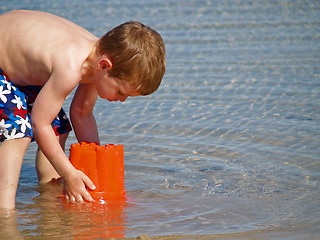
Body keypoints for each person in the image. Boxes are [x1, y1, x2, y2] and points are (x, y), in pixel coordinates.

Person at [0, 10, 166, 210]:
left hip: (21, 71)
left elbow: (81, 113)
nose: (121, 100)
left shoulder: (97, 61)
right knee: (18, 131)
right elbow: (39, 123)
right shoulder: (71, 66)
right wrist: (69, 173)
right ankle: (5, 212)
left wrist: (99, 167)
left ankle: (50, 193)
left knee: (58, 127)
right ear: (105, 66)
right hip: (4, 67)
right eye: (121, 92)